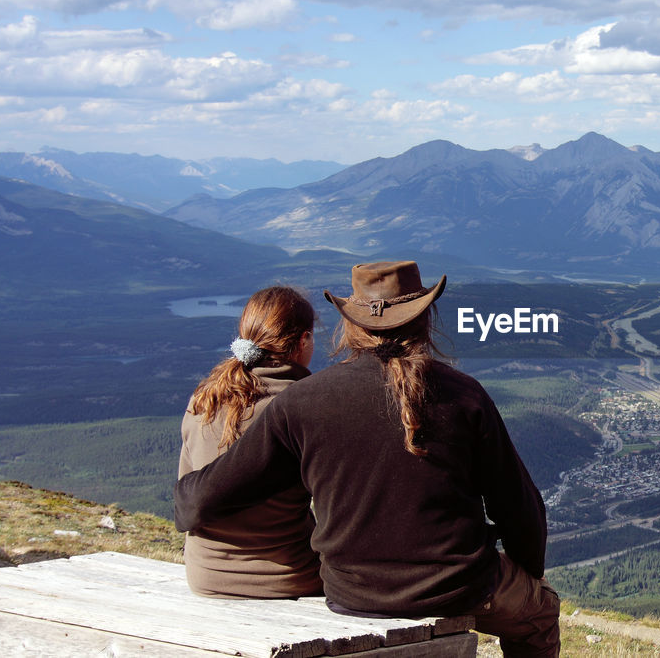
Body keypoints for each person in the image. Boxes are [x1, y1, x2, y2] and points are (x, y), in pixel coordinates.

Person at [175, 261, 559, 657]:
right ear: (423, 320)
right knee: (541, 613)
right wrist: (529, 571)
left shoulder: (302, 402)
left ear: (352, 323)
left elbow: (212, 493)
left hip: (351, 591)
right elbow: (520, 508)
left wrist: (187, 494)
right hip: (457, 584)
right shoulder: (464, 395)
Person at [178, 285, 322, 599]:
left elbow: (188, 487)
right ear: (303, 341)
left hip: (204, 575)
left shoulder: (205, 397)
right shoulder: (307, 404)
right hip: (289, 575)